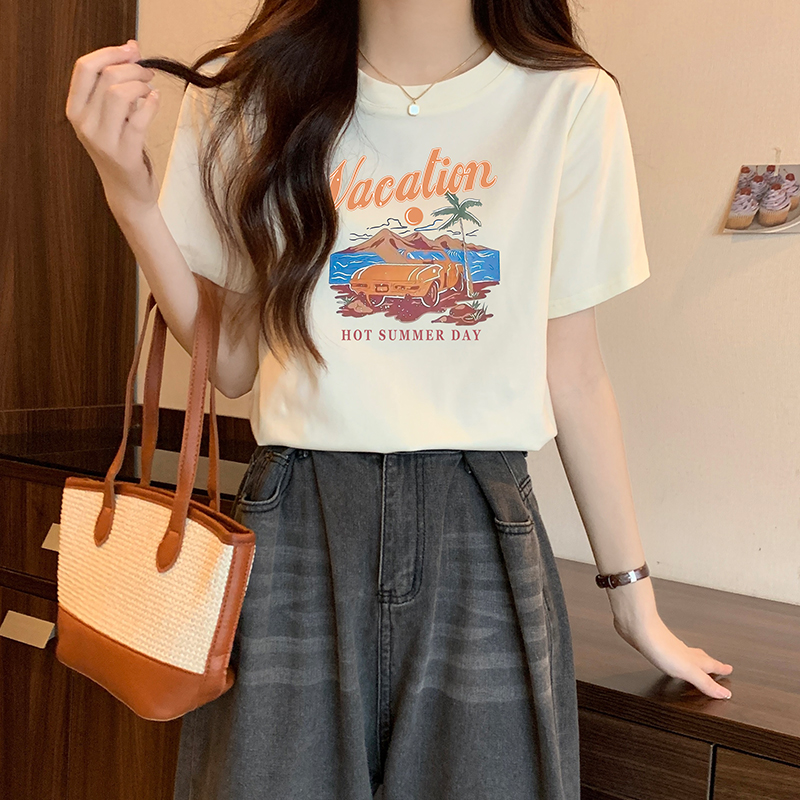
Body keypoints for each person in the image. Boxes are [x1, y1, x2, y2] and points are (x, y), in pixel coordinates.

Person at [65, 1, 734, 797]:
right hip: (296, 522)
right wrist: (130, 198)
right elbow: (235, 362)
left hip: (479, 529)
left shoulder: (567, 100)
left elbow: (575, 370)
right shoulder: (249, 95)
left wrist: (634, 603)